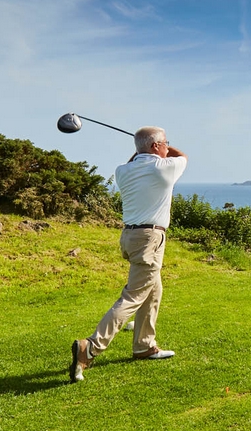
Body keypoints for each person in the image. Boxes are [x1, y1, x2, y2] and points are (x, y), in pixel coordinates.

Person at [70, 126, 187, 383]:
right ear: (157, 147)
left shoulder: (122, 171)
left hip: (130, 237)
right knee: (133, 295)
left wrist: (143, 148)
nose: (168, 146)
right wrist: (163, 147)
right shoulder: (163, 168)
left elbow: (136, 159)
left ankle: (144, 345)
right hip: (150, 239)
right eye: (165, 143)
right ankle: (90, 347)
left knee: (153, 288)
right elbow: (182, 156)